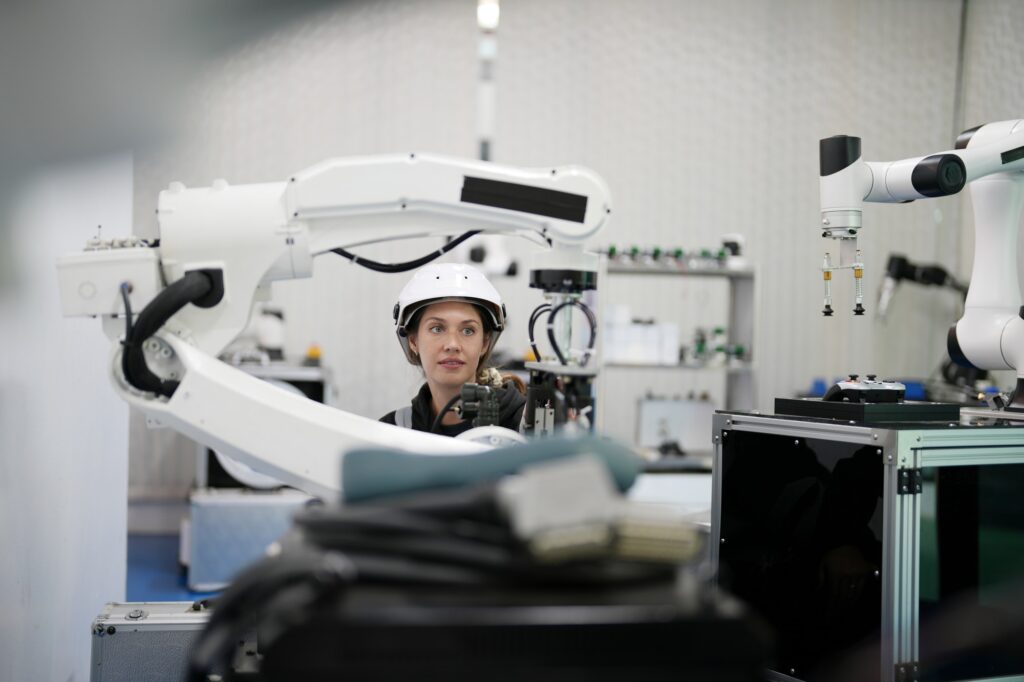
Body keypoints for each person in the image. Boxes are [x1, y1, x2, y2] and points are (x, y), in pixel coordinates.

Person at [380, 263, 526, 436]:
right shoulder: (392, 432)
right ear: (413, 341)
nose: (452, 345)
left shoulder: (528, 426)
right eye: (437, 329)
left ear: (485, 343)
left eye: (467, 331)